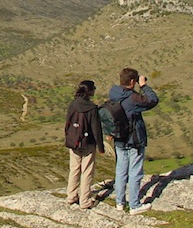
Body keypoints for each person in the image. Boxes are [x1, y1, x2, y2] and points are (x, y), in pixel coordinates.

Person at [109, 68, 158, 215]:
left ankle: (120, 202)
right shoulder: (133, 98)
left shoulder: (113, 93)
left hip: (119, 138)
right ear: (132, 81)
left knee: (120, 171)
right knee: (135, 171)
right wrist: (144, 86)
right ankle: (134, 205)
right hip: (133, 139)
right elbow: (152, 100)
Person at [65, 80, 105, 209]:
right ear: (90, 91)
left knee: (74, 168)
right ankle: (85, 200)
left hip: (73, 141)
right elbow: (96, 129)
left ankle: (71, 196)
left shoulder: (73, 104)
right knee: (87, 171)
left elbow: (67, 123)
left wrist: (68, 137)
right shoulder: (91, 108)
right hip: (88, 143)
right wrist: (101, 146)